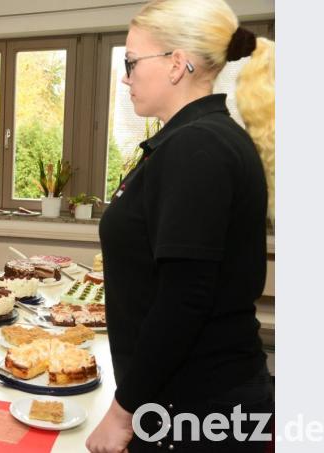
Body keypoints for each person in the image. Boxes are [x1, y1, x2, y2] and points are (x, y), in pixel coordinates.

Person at [87, 1, 274, 452]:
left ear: (177, 64)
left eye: (131, 61)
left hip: (194, 407)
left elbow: (184, 299)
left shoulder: (198, 148)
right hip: (185, 398)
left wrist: (122, 411)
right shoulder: (195, 139)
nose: (125, 76)